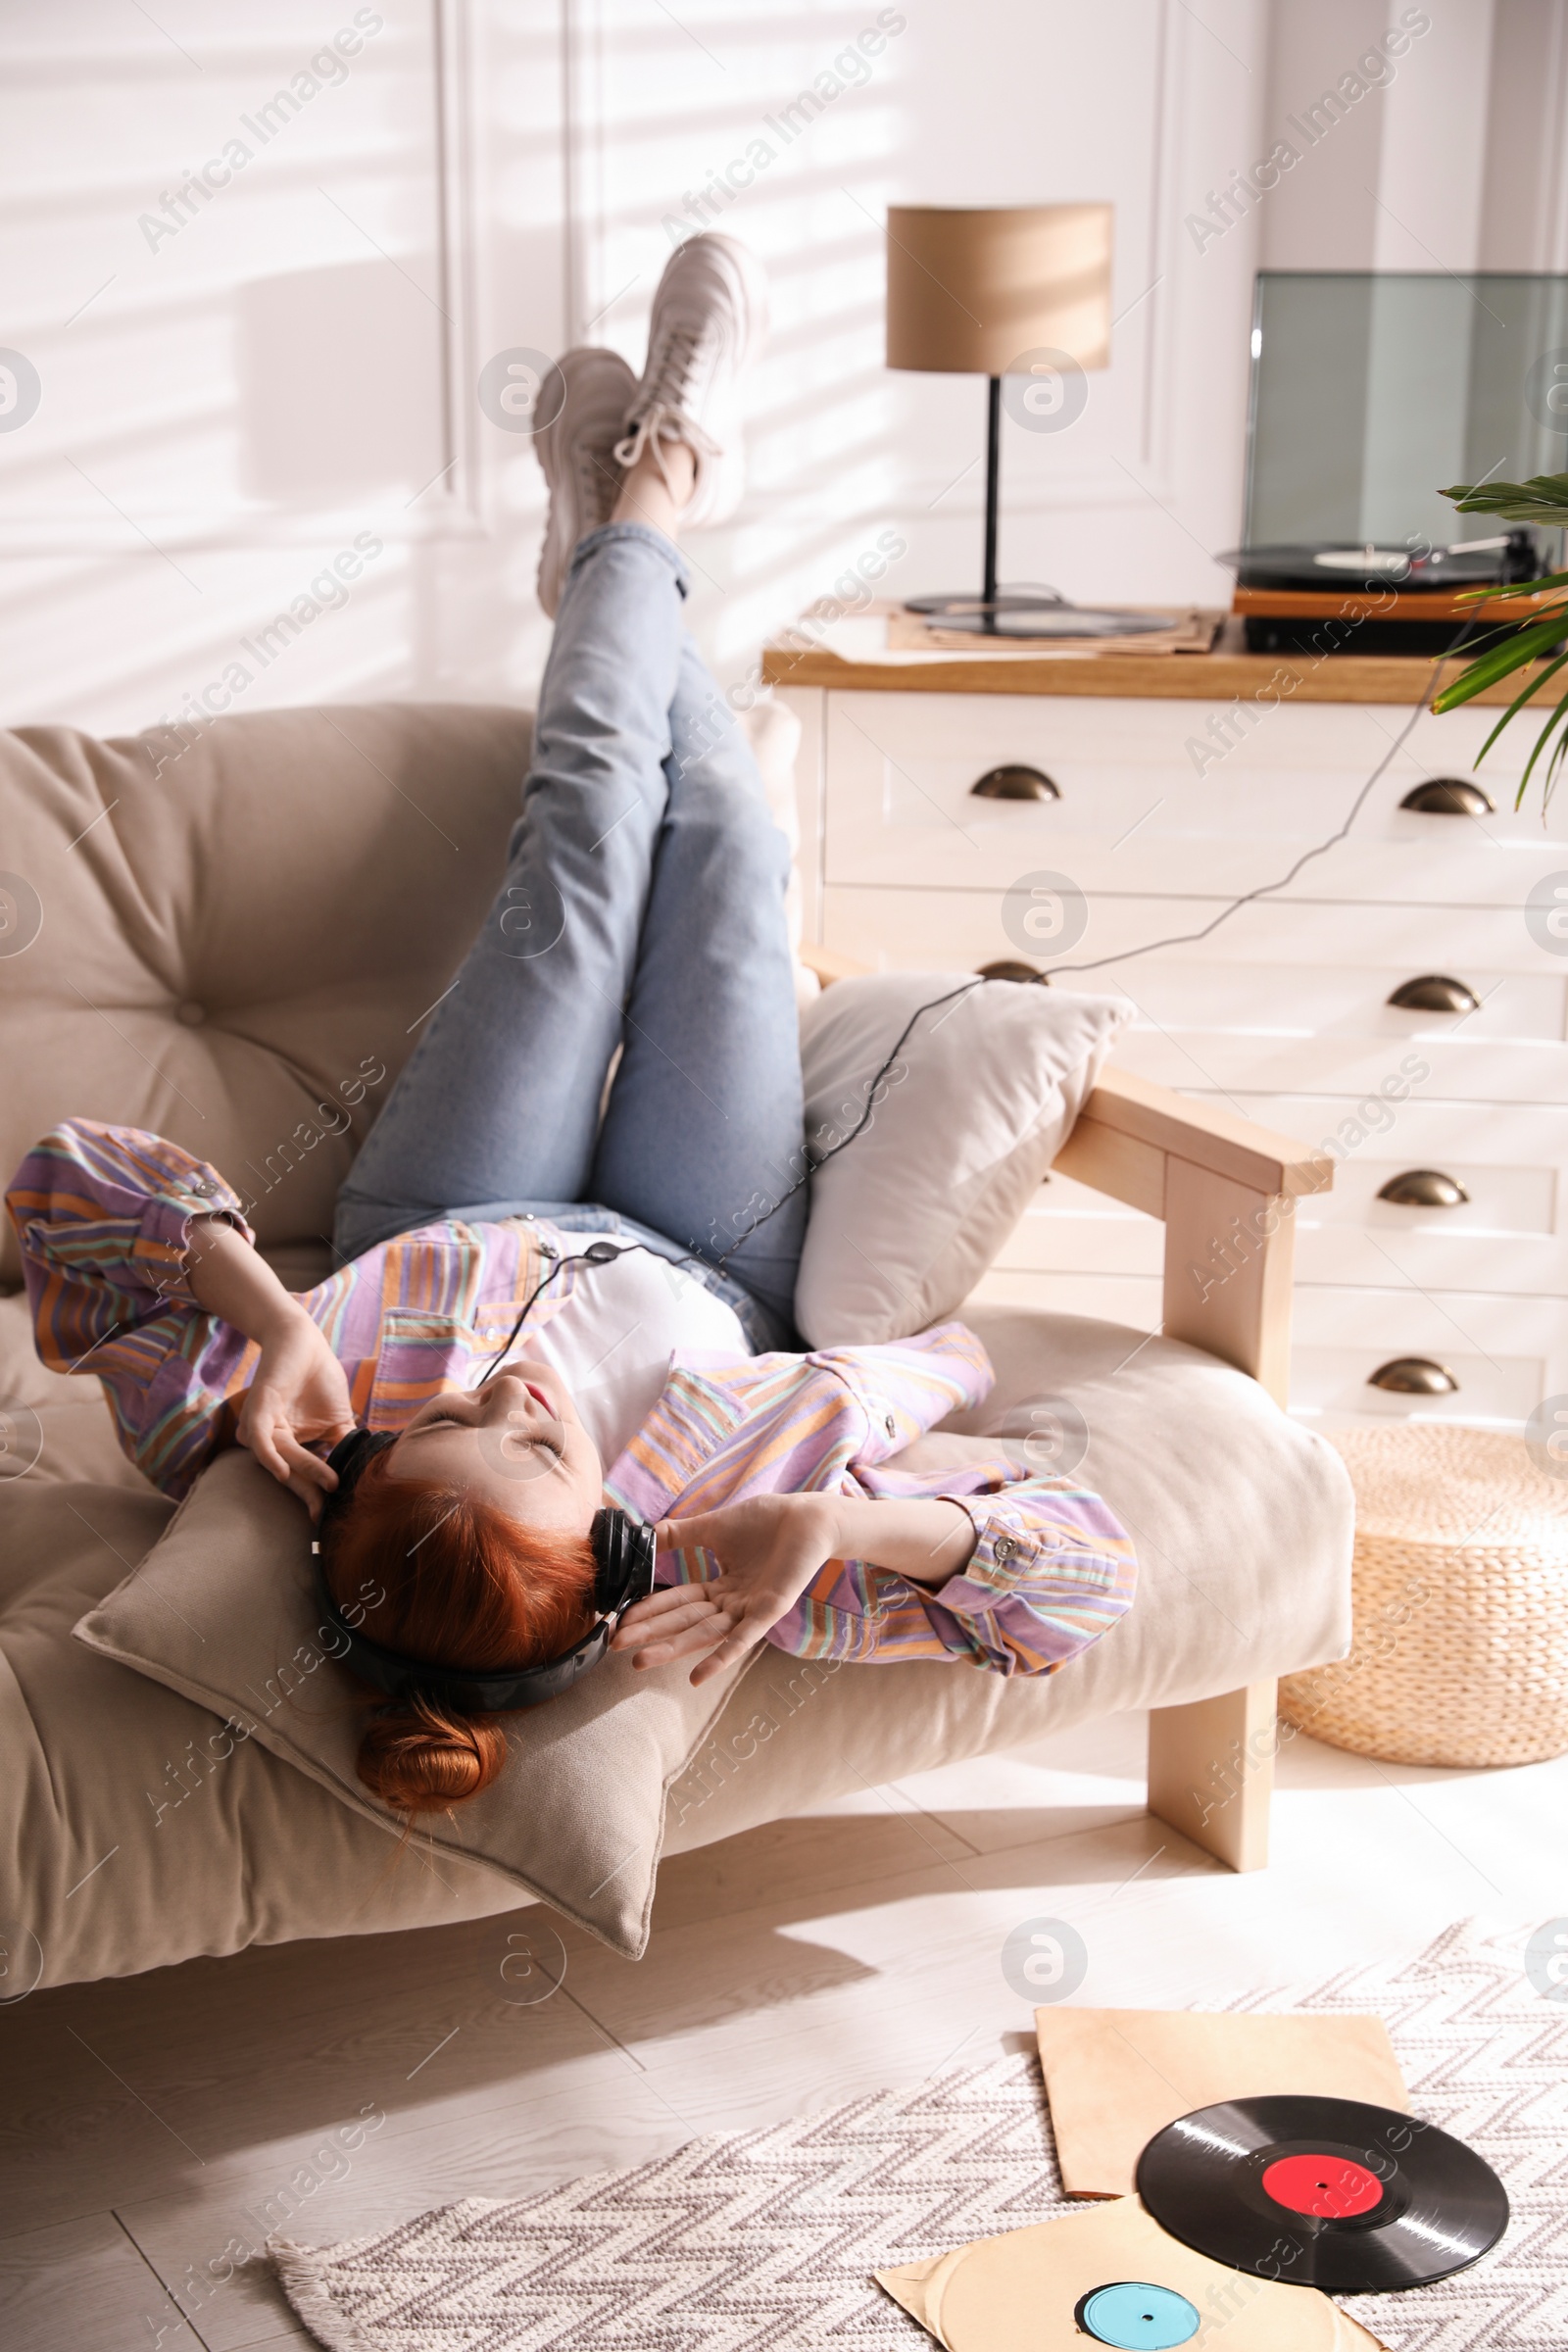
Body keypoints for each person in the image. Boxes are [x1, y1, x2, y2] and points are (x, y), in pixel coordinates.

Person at [7, 235, 1136, 1823]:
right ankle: (616, 536)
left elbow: (69, 1180)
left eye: (442, 1421)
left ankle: (649, 495)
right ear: (604, 1548)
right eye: (526, 1445)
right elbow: (1084, 1584)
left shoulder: (277, 1425)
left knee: (589, 838)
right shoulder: (727, 1552)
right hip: (711, 1243)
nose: (502, 1391)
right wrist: (847, 1531)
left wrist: (268, 1320)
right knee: (735, 857)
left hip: (452, 1193)